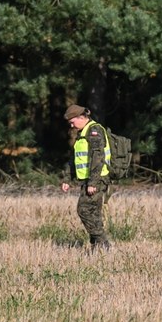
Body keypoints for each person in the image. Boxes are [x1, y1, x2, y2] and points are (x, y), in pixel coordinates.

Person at [61, 104, 112, 252]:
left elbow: (98, 157)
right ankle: (98, 247)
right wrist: (67, 179)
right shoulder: (82, 133)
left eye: (72, 121)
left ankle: (103, 243)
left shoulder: (94, 131)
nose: (71, 125)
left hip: (97, 179)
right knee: (93, 212)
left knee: (83, 210)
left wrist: (93, 182)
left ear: (81, 117)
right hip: (87, 180)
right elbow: (74, 158)